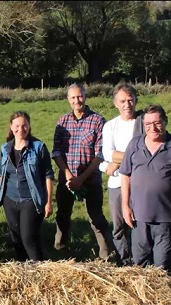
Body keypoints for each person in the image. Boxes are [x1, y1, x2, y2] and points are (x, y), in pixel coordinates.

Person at [120, 104, 171, 272]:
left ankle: (162, 296)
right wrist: (125, 206)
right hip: (139, 217)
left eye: (157, 123)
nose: (152, 128)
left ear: (165, 122)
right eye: (147, 124)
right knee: (139, 263)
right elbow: (125, 175)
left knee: (162, 266)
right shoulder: (134, 145)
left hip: (165, 218)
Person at [52, 83, 113, 261]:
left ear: (85, 97)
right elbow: (56, 152)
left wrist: (82, 178)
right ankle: (60, 251)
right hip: (67, 179)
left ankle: (106, 254)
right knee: (63, 215)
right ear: (68, 100)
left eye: (79, 96)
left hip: (91, 178)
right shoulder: (62, 122)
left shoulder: (98, 121)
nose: (77, 100)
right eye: (73, 98)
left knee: (96, 217)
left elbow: (100, 154)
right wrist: (69, 176)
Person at [0, 111, 54, 262]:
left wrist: (48, 201)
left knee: (28, 239)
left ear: (29, 126)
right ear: (11, 127)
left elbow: (48, 175)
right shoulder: (6, 148)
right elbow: (0, 173)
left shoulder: (38, 147)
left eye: (24, 125)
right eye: (17, 126)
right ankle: (22, 270)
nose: (21, 129)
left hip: (30, 200)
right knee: (16, 239)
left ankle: (38, 270)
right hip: (9, 199)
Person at [99, 83, 145, 265]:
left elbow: (145, 151)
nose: (127, 104)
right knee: (119, 226)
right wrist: (134, 156)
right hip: (116, 184)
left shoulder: (143, 122)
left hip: (140, 182)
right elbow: (108, 154)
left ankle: (141, 261)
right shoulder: (110, 126)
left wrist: (120, 159)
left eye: (130, 100)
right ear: (115, 103)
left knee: (138, 224)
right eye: (122, 101)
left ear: (136, 100)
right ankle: (123, 262)